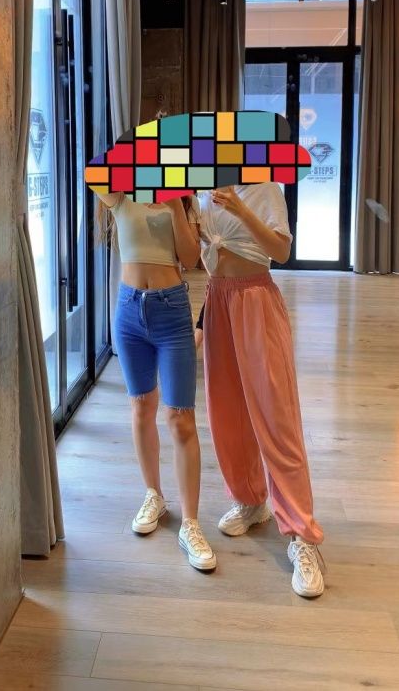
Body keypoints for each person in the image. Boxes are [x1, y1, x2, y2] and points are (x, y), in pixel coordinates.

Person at [196, 183, 325, 598]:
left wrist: (241, 209)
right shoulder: (201, 188)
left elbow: (281, 251)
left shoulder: (265, 188)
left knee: (276, 416)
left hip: (256, 298)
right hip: (217, 299)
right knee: (226, 412)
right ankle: (250, 500)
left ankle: (302, 534)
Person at [96, 191, 216, 571]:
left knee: (181, 418)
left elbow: (190, 259)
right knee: (141, 407)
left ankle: (190, 523)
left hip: (171, 310)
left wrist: (175, 204)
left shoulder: (183, 199)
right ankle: (154, 495)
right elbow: (91, 173)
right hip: (129, 311)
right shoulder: (119, 195)